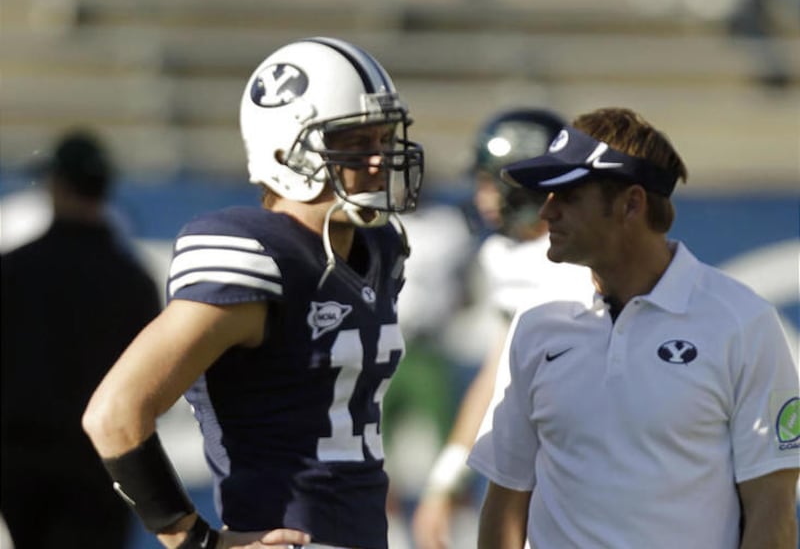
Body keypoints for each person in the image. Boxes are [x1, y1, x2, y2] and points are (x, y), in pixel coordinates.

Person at [81, 37, 424, 549]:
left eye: (384, 138)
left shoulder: (379, 247)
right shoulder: (259, 256)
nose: (379, 159)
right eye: (355, 142)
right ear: (286, 154)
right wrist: (193, 540)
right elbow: (114, 414)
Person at [468, 107, 800, 548]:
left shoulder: (743, 324)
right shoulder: (536, 321)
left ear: (632, 204)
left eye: (568, 195)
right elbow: (506, 500)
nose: (547, 211)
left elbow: (772, 508)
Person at [411, 108, 594, 549]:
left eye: (492, 182)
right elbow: (499, 372)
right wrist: (447, 477)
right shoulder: (502, 256)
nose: (482, 197)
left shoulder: (589, 261)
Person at [0, 129, 162, 548]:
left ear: (56, 185)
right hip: (105, 464)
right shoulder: (133, 281)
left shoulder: (14, 271)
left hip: (22, 464)